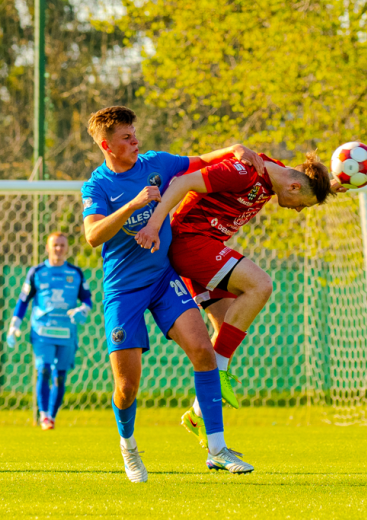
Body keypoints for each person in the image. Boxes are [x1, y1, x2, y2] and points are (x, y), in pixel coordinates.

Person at [81, 105, 263, 482]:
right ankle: (129, 448)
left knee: (202, 350)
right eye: (127, 139)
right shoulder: (96, 186)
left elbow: (202, 159)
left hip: (163, 280)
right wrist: (134, 205)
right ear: (106, 145)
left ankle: (217, 450)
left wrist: (235, 147)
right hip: (123, 290)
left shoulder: (157, 163)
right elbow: (93, 236)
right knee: (127, 388)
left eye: (135, 134)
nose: (136, 142)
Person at [135, 150, 341, 448]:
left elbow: (297, 179)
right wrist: (155, 224)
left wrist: (330, 185)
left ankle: (198, 417)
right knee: (260, 285)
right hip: (190, 243)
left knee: (224, 328)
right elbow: (182, 183)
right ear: (295, 188)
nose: (297, 211)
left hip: (203, 246)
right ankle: (219, 372)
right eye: (302, 206)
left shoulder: (278, 175)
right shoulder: (242, 172)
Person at [6, 232, 92, 430]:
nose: (58, 249)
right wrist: (14, 326)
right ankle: (44, 415)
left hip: (66, 332)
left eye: (62, 245)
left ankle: (52, 415)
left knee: (60, 375)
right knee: (43, 369)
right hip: (42, 330)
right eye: (55, 245)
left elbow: (87, 299)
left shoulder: (75, 273)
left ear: (67, 248)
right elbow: (23, 300)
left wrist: (82, 310)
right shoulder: (36, 272)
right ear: (47, 247)